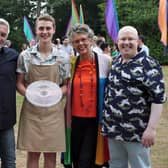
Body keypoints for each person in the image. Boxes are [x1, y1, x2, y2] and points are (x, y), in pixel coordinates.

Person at [102, 25, 166, 168]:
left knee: (140, 165)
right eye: (123, 39)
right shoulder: (116, 62)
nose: (126, 42)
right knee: (116, 165)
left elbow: (158, 100)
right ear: (117, 42)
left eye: (131, 39)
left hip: (137, 132)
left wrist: (151, 129)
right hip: (113, 130)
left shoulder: (149, 64)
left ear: (138, 42)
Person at [16, 14, 69, 168]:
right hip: (32, 111)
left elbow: (66, 85)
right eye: (41, 28)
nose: (44, 32)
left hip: (53, 112)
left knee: (51, 154)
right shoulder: (25, 56)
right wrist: (32, 96)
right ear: (36, 31)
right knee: (32, 154)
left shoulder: (63, 57)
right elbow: (19, 83)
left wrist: (55, 95)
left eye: (48, 28)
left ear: (53, 30)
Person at [65, 23, 111, 168]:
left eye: (84, 39)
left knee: (88, 161)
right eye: (76, 41)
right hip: (74, 121)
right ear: (72, 44)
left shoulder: (105, 62)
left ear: (91, 40)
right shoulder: (71, 64)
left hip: (95, 122)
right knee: (77, 160)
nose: (81, 44)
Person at [0, 18, 18, 168]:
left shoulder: (14, 56)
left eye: (3, 34)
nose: (0, 37)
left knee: (9, 162)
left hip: (6, 120)